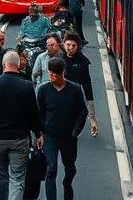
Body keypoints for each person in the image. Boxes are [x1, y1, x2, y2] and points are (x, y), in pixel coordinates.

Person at [0, 50, 42, 200]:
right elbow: (34, 113)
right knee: (17, 178)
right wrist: (38, 134)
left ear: (3, 65)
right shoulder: (26, 86)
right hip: (20, 139)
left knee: (0, 177)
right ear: (18, 65)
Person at [36, 57, 90, 200]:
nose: (52, 77)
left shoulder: (75, 90)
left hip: (68, 138)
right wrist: (39, 133)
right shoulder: (43, 90)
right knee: (51, 168)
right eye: (50, 73)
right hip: (50, 136)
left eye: (55, 74)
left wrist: (75, 131)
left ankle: (67, 186)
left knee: (70, 169)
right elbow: (39, 113)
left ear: (63, 73)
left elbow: (82, 112)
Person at [61, 32, 99, 137]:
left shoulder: (82, 62)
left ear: (78, 47)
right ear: (63, 44)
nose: (70, 48)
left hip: (73, 99)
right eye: (68, 45)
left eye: (73, 46)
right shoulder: (58, 58)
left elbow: (88, 89)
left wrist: (92, 119)